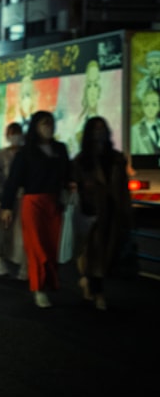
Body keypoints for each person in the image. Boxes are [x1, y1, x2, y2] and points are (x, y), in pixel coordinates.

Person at [0, 111, 74, 308]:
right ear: (35, 127)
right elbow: (13, 181)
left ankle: (49, 282)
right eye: (43, 123)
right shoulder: (26, 152)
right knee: (37, 247)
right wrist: (7, 206)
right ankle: (38, 288)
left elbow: (68, 174)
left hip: (55, 202)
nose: (48, 127)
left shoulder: (60, 148)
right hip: (33, 203)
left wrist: (71, 187)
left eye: (50, 123)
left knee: (51, 247)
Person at [71, 117, 132, 311]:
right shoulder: (82, 160)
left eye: (103, 128)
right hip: (91, 212)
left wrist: (127, 214)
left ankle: (89, 282)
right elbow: (75, 186)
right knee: (94, 253)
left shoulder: (116, 159)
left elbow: (123, 189)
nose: (100, 133)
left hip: (112, 213)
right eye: (96, 129)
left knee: (104, 254)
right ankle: (98, 293)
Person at [0, 122, 27, 279]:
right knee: (4, 230)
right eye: (12, 133)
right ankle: (0, 259)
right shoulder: (2, 154)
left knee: (22, 233)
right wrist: (1, 194)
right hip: (6, 197)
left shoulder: (27, 153)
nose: (15, 136)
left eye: (17, 132)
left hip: (23, 197)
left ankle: (23, 264)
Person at [129, 90, 160, 155]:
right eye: (147, 104)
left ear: (158, 107)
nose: (150, 108)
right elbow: (133, 157)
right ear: (142, 107)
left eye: (154, 104)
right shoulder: (135, 131)